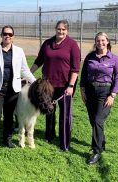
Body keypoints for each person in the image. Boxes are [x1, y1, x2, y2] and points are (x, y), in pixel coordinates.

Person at [30, 20, 81, 151]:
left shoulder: (72, 45)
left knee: (65, 114)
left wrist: (70, 85)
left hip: (65, 86)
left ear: (67, 31)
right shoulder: (47, 43)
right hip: (48, 85)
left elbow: (75, 69)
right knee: (49, 111)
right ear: (55, 29)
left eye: (63, 29)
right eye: (59, 29)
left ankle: (64, 142)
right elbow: (38, 61)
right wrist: (28, 74)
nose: (61, 31)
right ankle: (49, 135)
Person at [0, 25, 36, 154]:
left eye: (10, 34)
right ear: (1, 35)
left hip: (13, 89)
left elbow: (25, 70)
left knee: (9, 117)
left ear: (13, 36)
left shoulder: (19, 51)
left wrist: (36, 83)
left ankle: (7, 140)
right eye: (5, 33)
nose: (7, 36)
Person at [80, 32, 118, 164]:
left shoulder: (114, 59)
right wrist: (82, 90)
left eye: (103, 40)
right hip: (90, 91)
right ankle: (101, 142)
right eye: (98, 40)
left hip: (105, 93)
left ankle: (96, 151)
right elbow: (83, 75)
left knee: (98, 120)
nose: (100, 43)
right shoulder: (90, 57)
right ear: (95, 42)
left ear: (107, 41)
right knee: (94, 121)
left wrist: (112, 95)